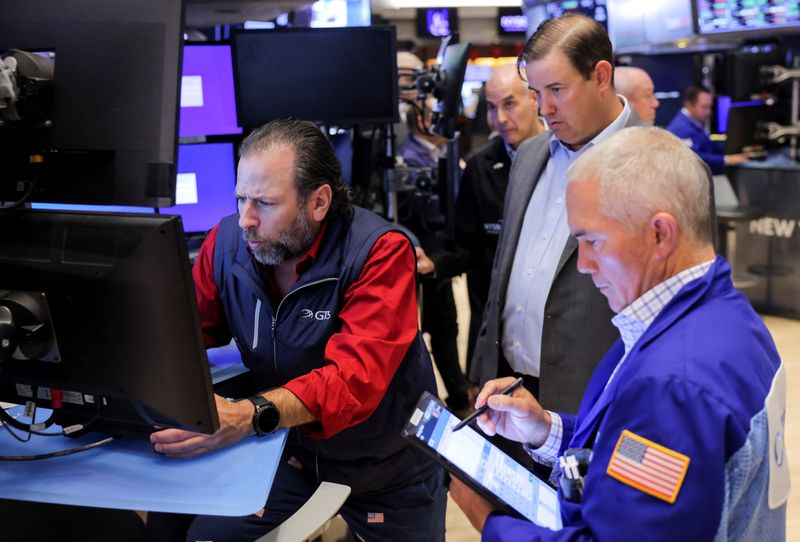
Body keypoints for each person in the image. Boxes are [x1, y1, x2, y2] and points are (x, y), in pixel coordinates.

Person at [450, 126, 789, 541]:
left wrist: (489, 521)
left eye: (592, 241)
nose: (584, 265)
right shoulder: (726, 317)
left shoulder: (672, 385)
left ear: (660, 234)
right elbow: (646, 454)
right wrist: (546, 430)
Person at [149, 119, 446, 541]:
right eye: (240, 200)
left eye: (265, 204)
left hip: (390, 466)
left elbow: (352, 382)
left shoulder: (379, 251)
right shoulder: (227, 243)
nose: (246, 220)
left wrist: (248, 415)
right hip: (293, 456)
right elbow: (184, 330)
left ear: (319, 201)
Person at [469, 14, 648, 416]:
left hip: (595, 400)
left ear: (601, 76)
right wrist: (482, 369)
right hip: (508, 392)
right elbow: (503, 273)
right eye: (536, 92)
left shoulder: (658, 164)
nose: (544, 109)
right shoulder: (531, 154)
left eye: (557, 90)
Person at [415, 63, 544, 370]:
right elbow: (468, 247)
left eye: (509, 104)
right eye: (491, 107)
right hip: (500, 324)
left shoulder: (565, 156)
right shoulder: (480, 166)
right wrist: (434, 264)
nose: (499, 118)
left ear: (535, 100)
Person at [397, 95, 471, 414]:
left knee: (447, 330)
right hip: (418, 254)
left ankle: (458, 398)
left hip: (441, 257)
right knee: (425, 335)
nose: (445, 120)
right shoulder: (406, 158)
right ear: (419, 119)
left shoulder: (444, 151)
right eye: (436, 114)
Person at [666, 85, 748, 174]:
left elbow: (710, 145)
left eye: (710, 107)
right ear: (689, 105)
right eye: (704, 107)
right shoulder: (680, 128)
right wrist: (727, 159)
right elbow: (694, 158)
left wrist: (736, 149)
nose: (709, 112)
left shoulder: (694, 122)